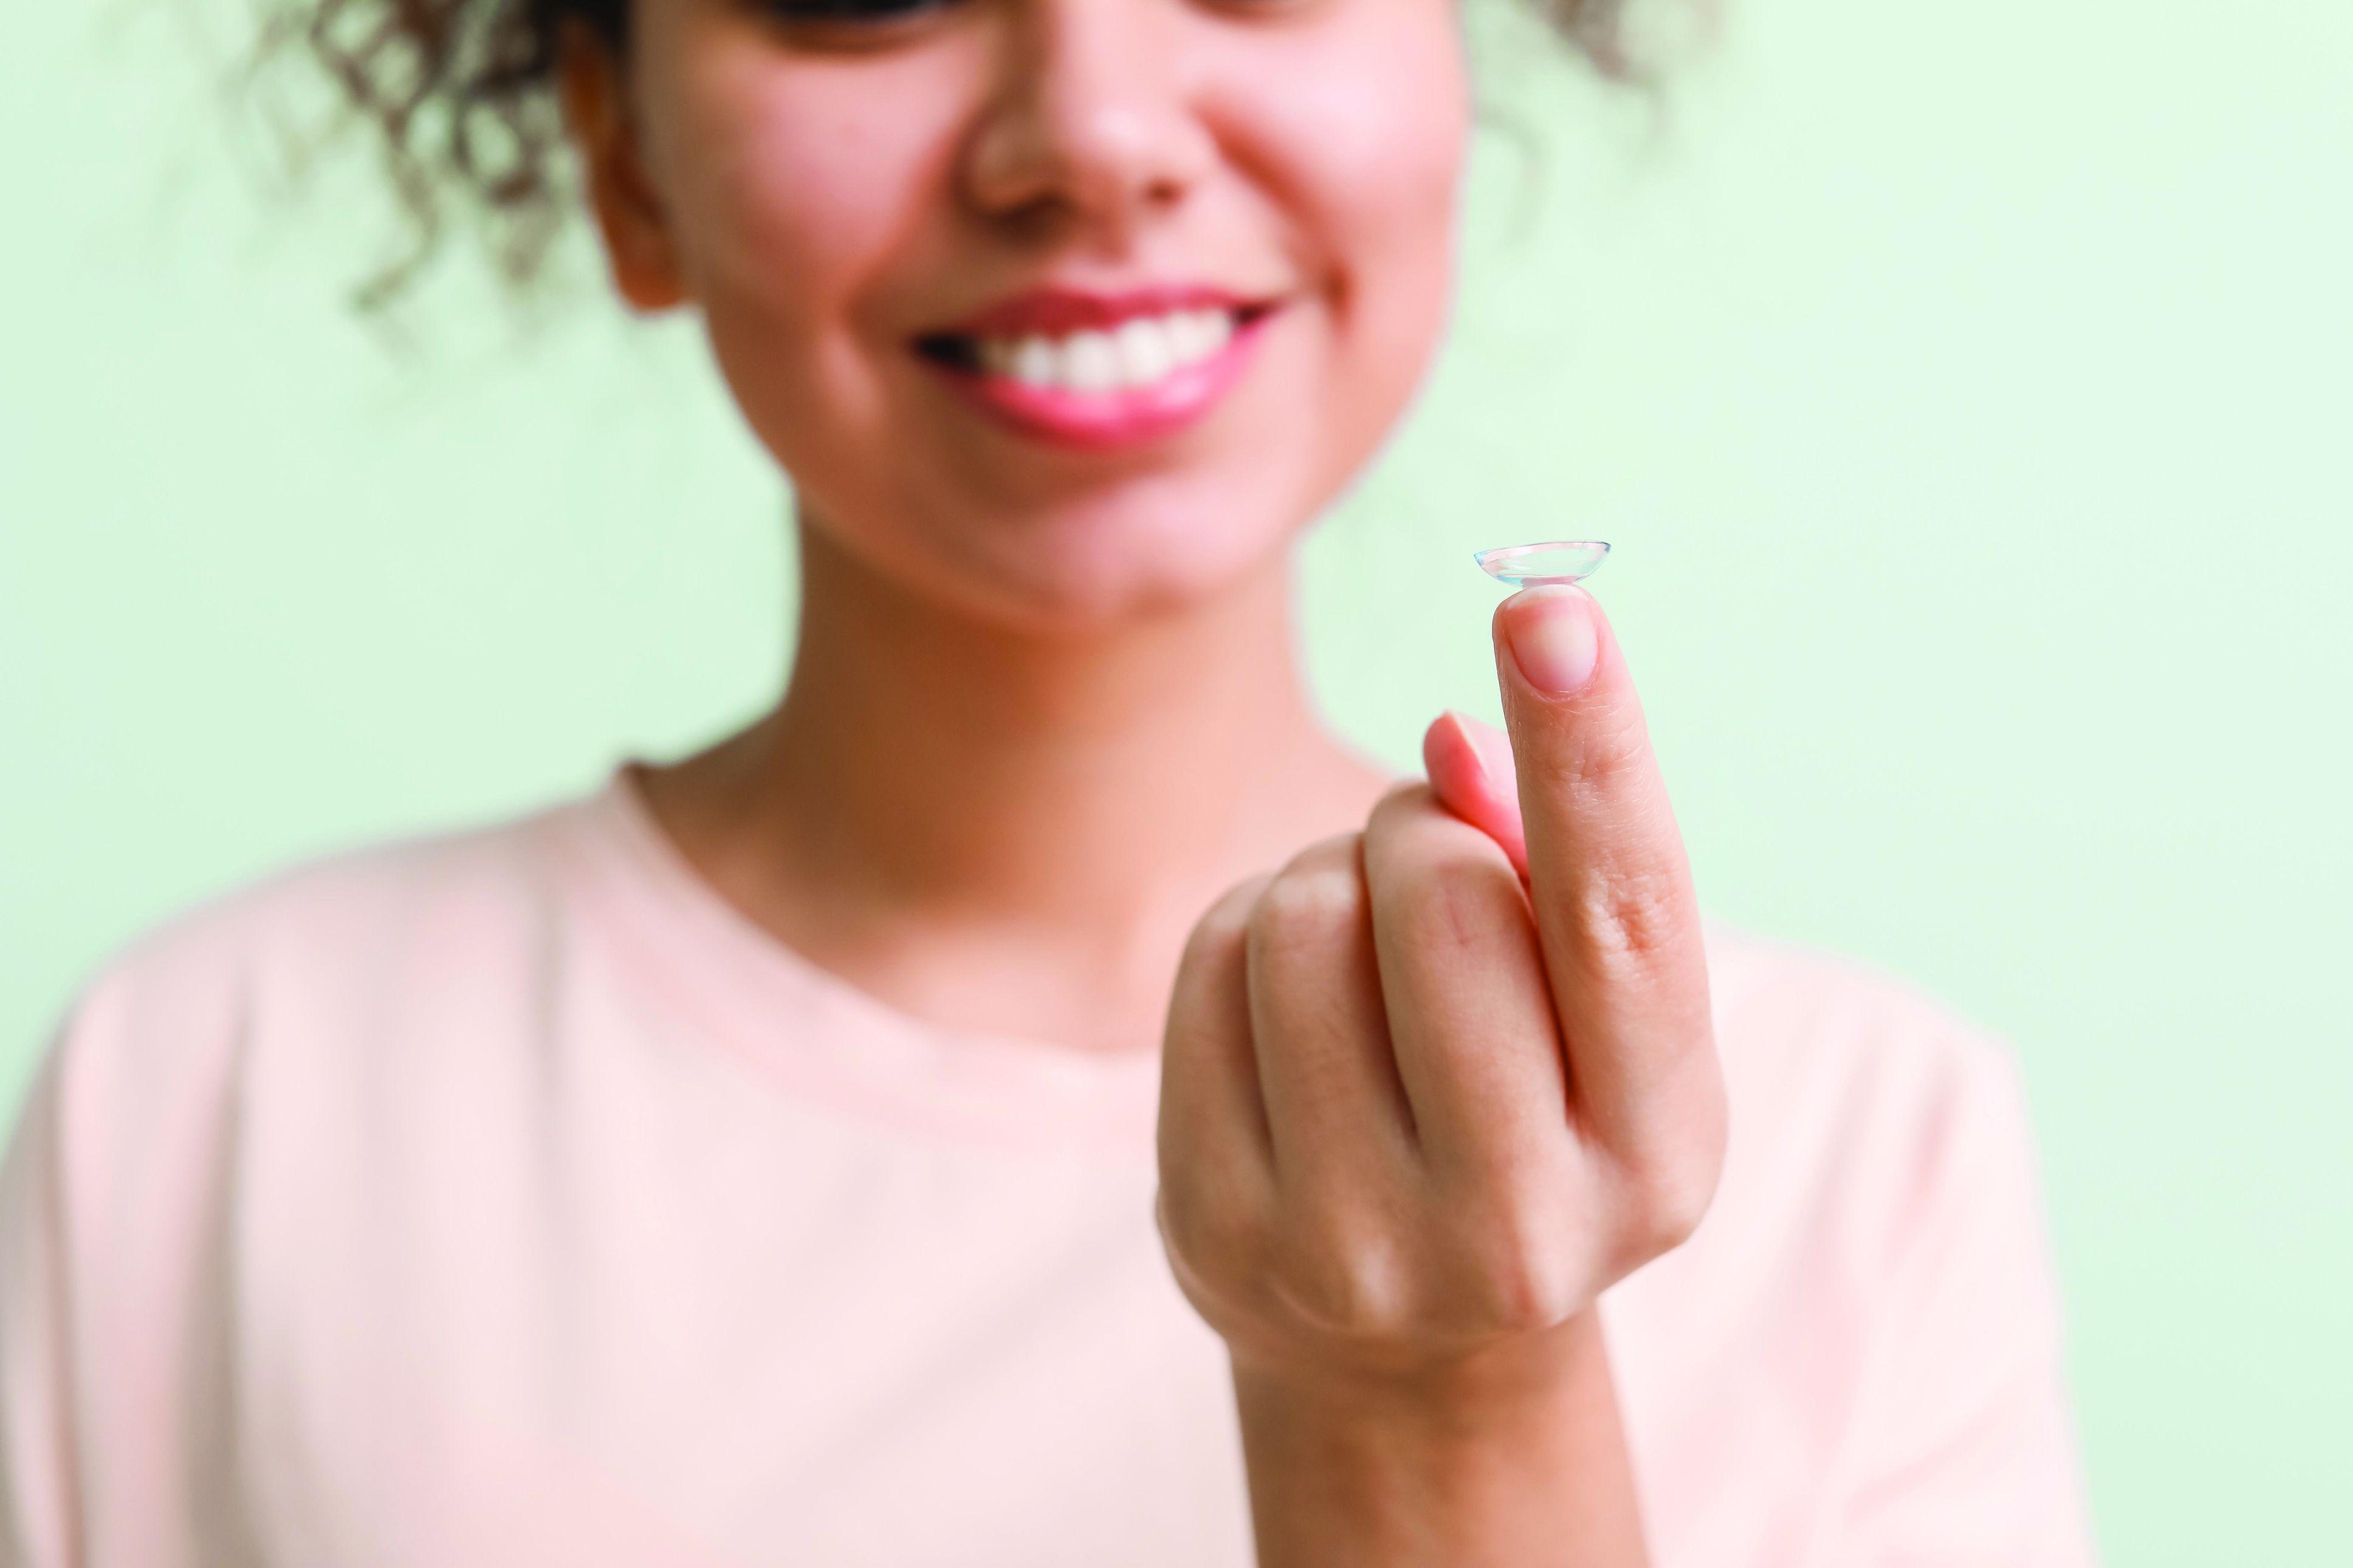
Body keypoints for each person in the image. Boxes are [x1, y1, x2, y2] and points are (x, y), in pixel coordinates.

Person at [0, 0, 2100, 1561]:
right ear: (627, 162)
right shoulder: (211, 1100)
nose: (1094, 135)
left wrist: (1447, 1411)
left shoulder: (1868, 1162)